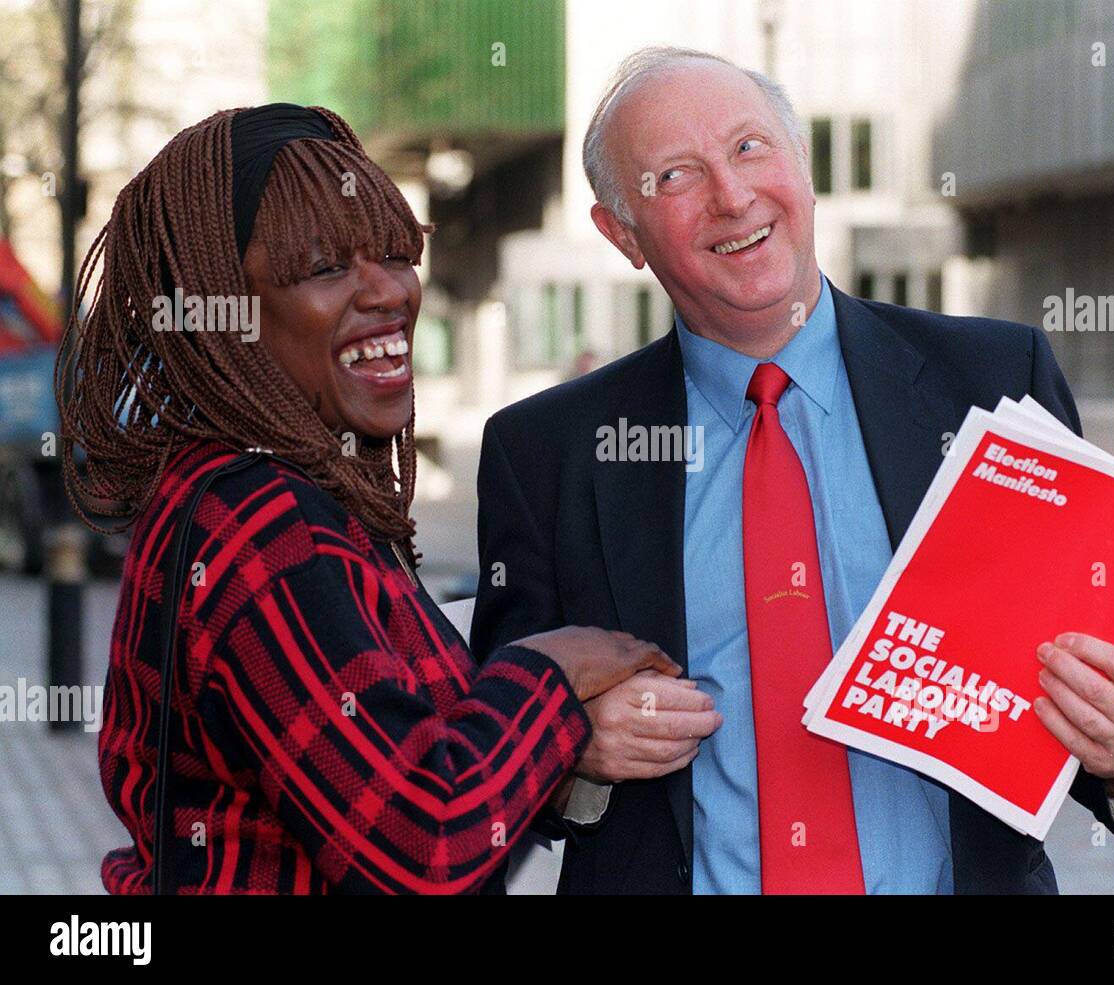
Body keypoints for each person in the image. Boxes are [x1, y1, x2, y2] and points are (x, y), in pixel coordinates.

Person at [470, 48, 1114, 894]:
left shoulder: (992, 382)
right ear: (621, 232)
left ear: (804, 171)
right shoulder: (546, 452)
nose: (734, 197)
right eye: (676, 175)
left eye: (749, 148)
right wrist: (571, 747)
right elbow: (496, 757)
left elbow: (1097, 659)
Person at [58, 103, 677, 894]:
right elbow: (423, 848)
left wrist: (556, 741)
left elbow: (396, 760)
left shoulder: (255, 490)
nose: (389, 293)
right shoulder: (261, 525)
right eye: (324, 268)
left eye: (395, 254)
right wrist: (552, 670)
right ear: (221, 313)